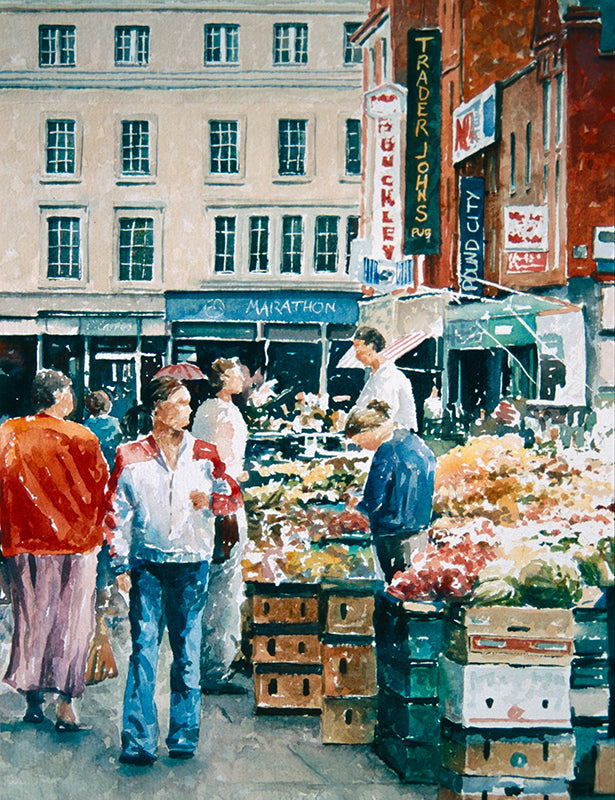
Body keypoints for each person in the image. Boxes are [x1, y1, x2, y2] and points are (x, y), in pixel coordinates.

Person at [105, 376, 242, 765]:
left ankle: (183, 736)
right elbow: (116, 513)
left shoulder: (205, 452)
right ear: (157, 410)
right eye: (180, 403)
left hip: (191, 564)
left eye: (188, 404)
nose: (188, 411)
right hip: (147, 565)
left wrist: (211, 499)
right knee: (144, 651)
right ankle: (138, 740)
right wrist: (120, 563)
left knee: (186, 652)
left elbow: (233, 497)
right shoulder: (129, 454)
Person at [0, 369, 108, 730]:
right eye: (69, 392)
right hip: (77, 544)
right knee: (72, 622)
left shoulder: (10, 433)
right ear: (60, 395)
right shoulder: (83, 436)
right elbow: (100, 491)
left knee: (31, 619)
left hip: (24, 542)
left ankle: (32, 698)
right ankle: (65, 702)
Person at [192, 358, 250, 694]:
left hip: (210, 507)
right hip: (225, 506)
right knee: (225, 586)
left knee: (212, 584)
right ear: (224, 378)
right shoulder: (225, 414)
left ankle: (207, 661)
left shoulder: (205, 410)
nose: (243, 377)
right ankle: (216, 668)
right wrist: (239, 475)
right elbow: (222, 468)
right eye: (237, 372)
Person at [344, 399, 436, 582]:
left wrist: (356, 504)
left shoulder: (386, 452)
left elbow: (373, 499)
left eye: (359, 441)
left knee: (392, 587)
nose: (361, 447)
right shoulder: (418, 444)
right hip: (420, 531)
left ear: (369, 430)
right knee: (410, 586)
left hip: (391, 535)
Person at [351, 326, 418, 431]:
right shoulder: (373, 377)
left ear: (370, 347)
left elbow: (385, 416)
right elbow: (361, 407)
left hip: (397, 439)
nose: (356, 355)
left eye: (358, 348)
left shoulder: (390, 376)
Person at [83, 389, 123, 467]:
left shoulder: (87, 424)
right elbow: (119, 440)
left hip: (94, 461)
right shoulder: (113, 422)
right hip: (111, 458)